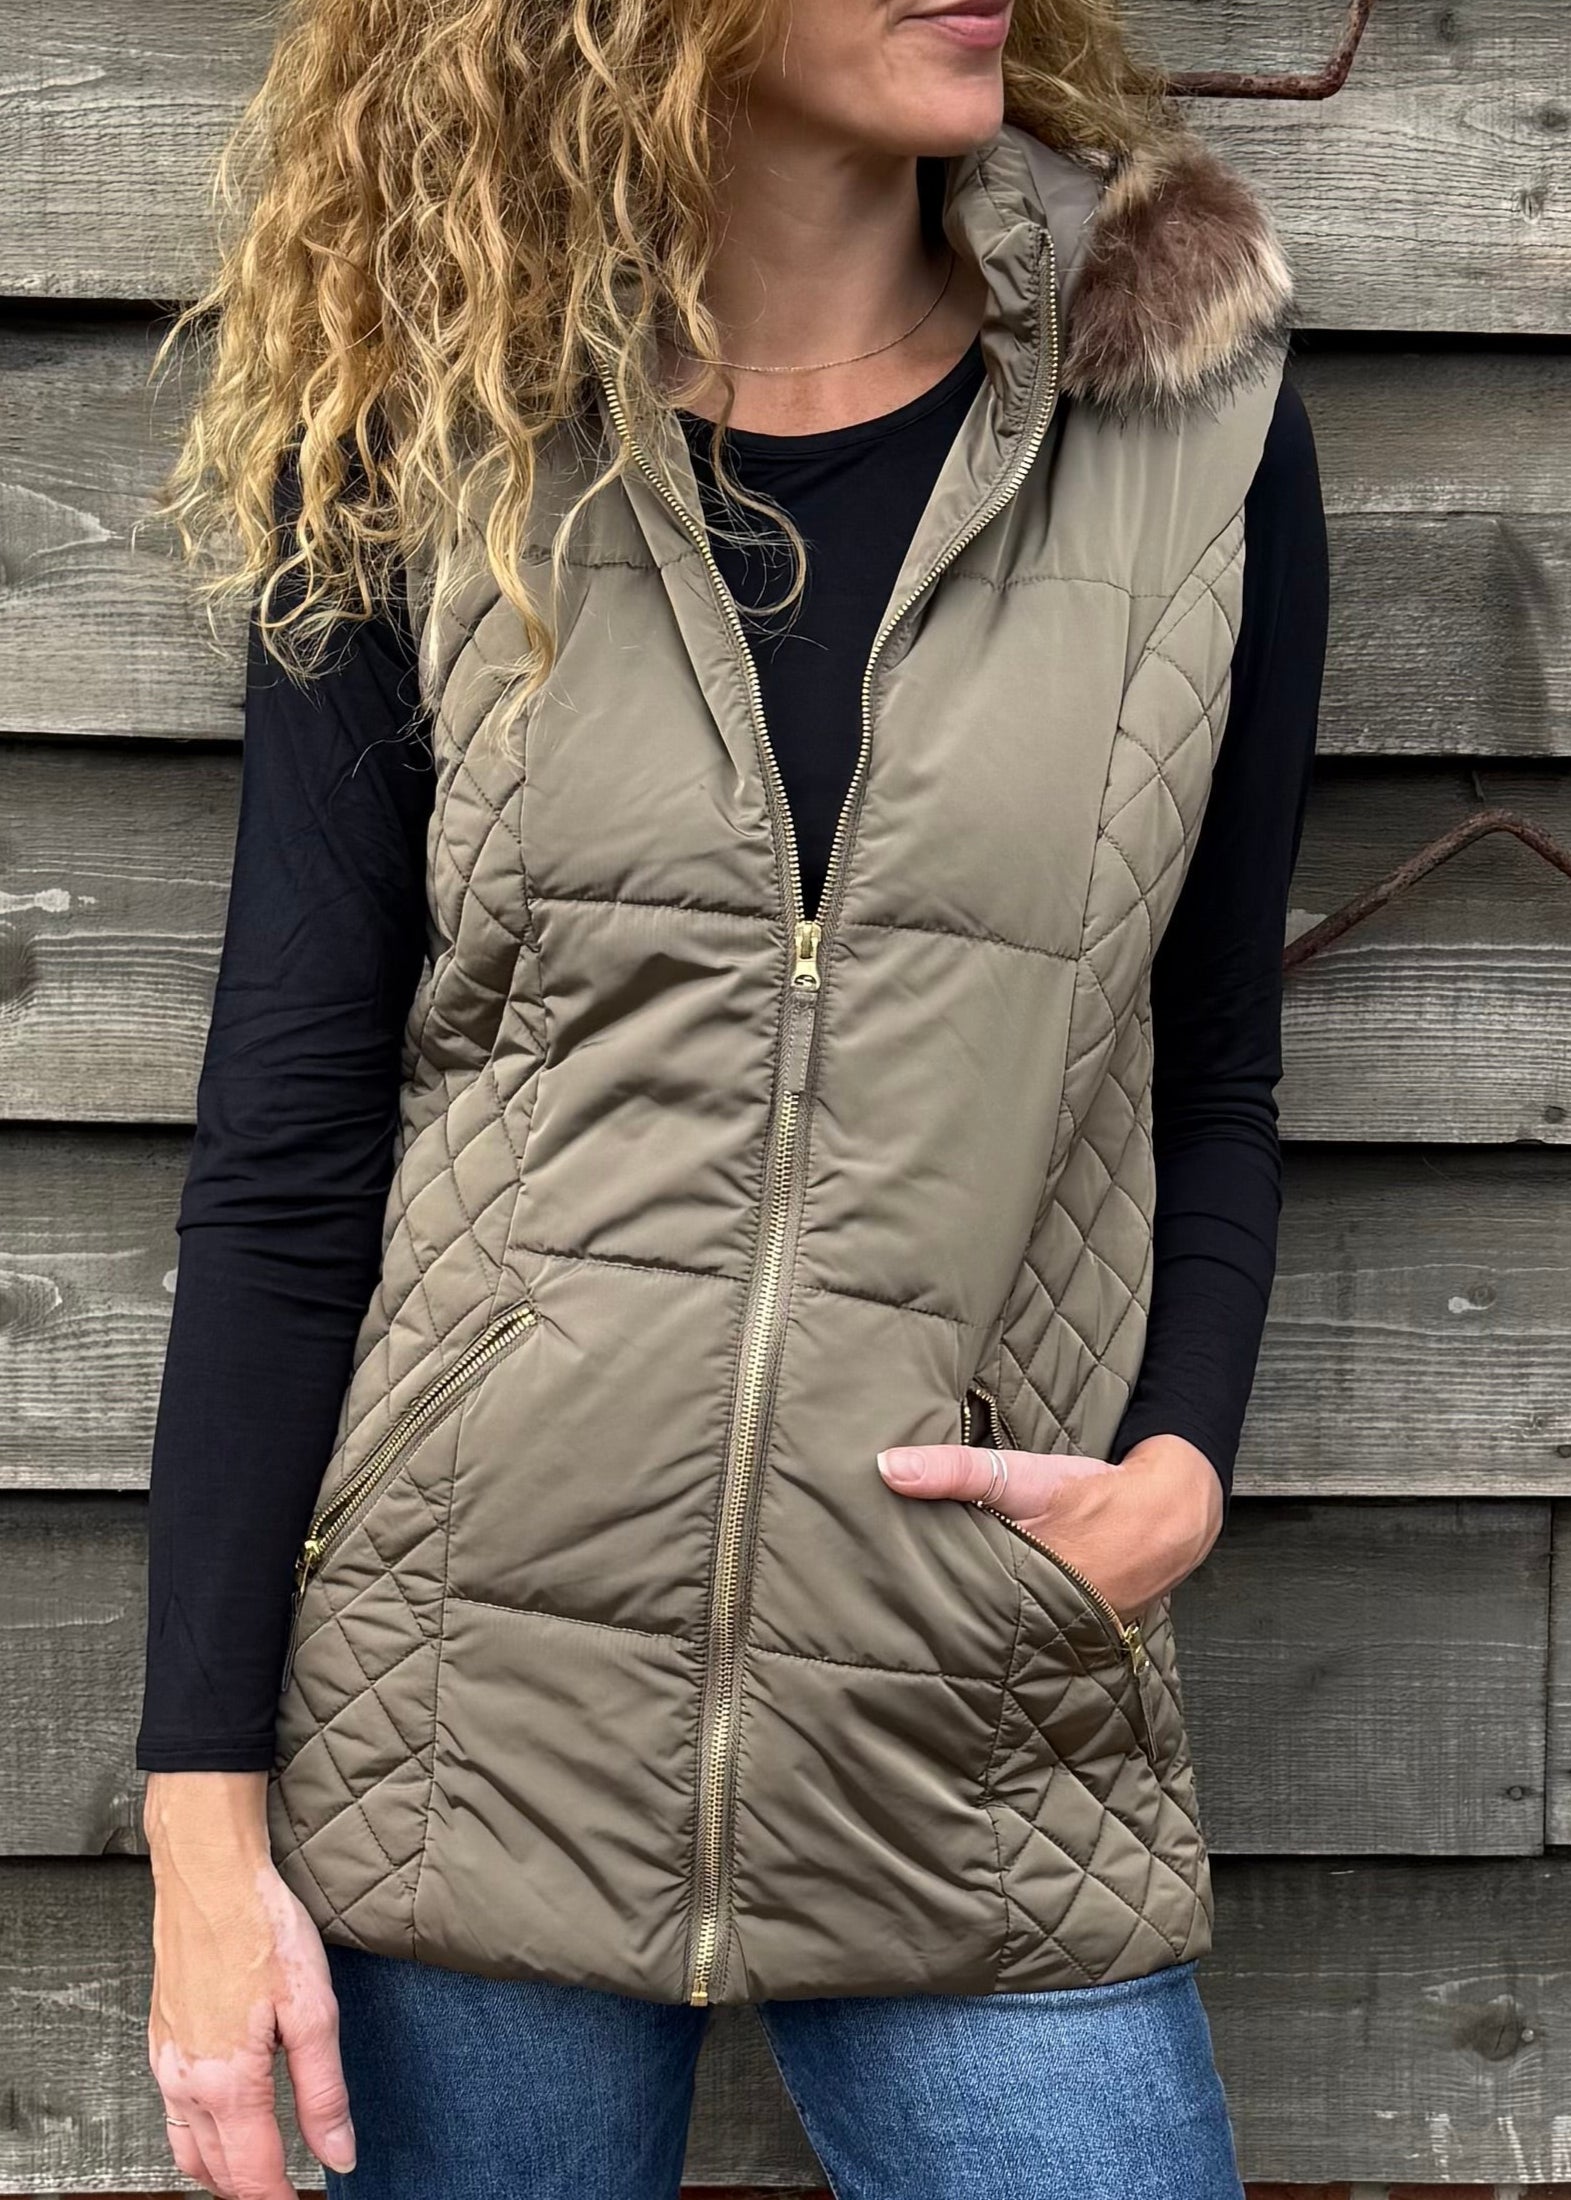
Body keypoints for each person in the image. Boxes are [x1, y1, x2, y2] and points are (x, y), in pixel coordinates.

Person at [134, 0, 1329, 2192]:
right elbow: (288, 1148)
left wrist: (1177, 1463)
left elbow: (1215, 1054)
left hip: (974, 1700)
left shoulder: (1185, 408)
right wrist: (200, 1832)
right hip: (466, 1721)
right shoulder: (433, 425)